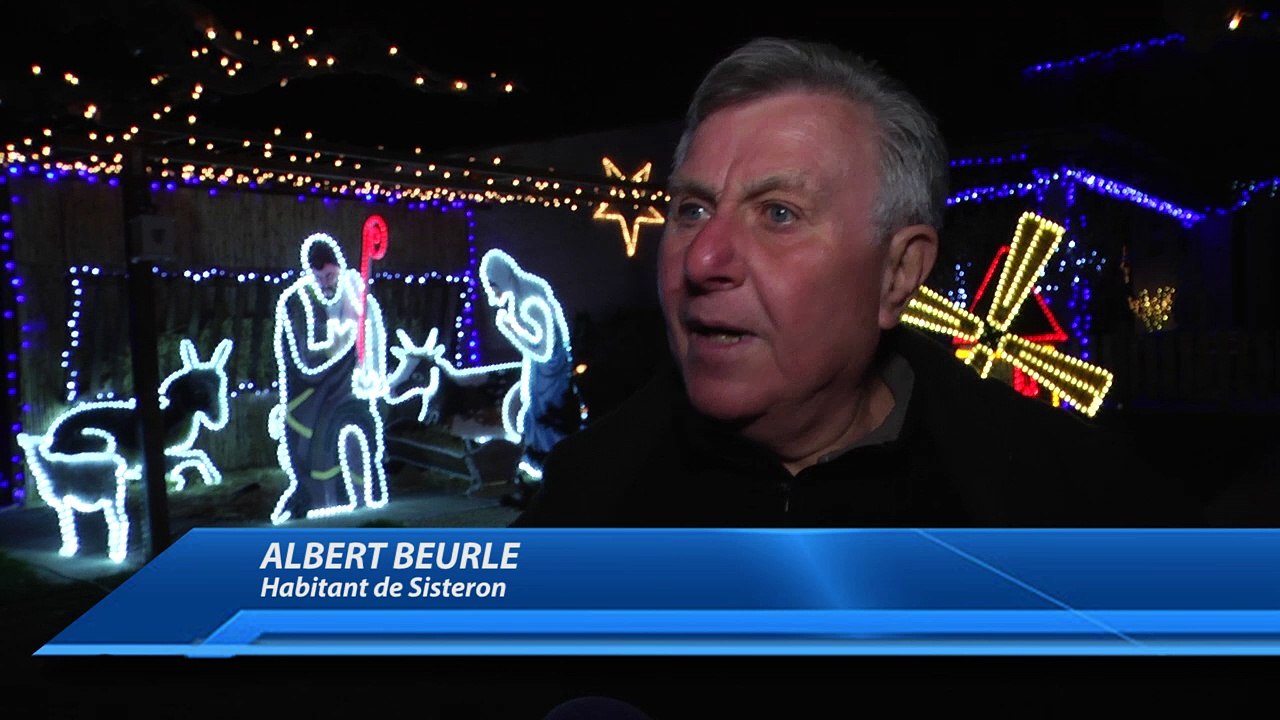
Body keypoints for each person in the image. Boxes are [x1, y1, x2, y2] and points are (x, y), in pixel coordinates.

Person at [513, 37, 1201, 528]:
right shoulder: (585, 501)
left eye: (778, 214)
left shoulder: (1073, 505)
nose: (701, 260)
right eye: (692, 209)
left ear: (899, 274)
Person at [268, 233, 392, 523]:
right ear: (309, 273)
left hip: (347, 389)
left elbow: (370, 340)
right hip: (308, 397)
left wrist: (371, 371)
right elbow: (307, 360)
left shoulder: (354, 294)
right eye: (320, 277)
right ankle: (317, 500)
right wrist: (342, 339)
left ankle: (364, 501)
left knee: (360, 429)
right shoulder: (296, 300)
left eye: (331, 275)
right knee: (315, 450)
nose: (326, 283)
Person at [477, 249, 585, 509]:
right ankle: (537, 488)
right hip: (540, 377)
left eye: (492, 284)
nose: (491, 291)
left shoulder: (531, 300)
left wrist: (511, 329)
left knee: (547, 425)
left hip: (551, 378)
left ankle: (555, 486)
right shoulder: (519, 298)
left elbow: (544, 349)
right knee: (534, 424)